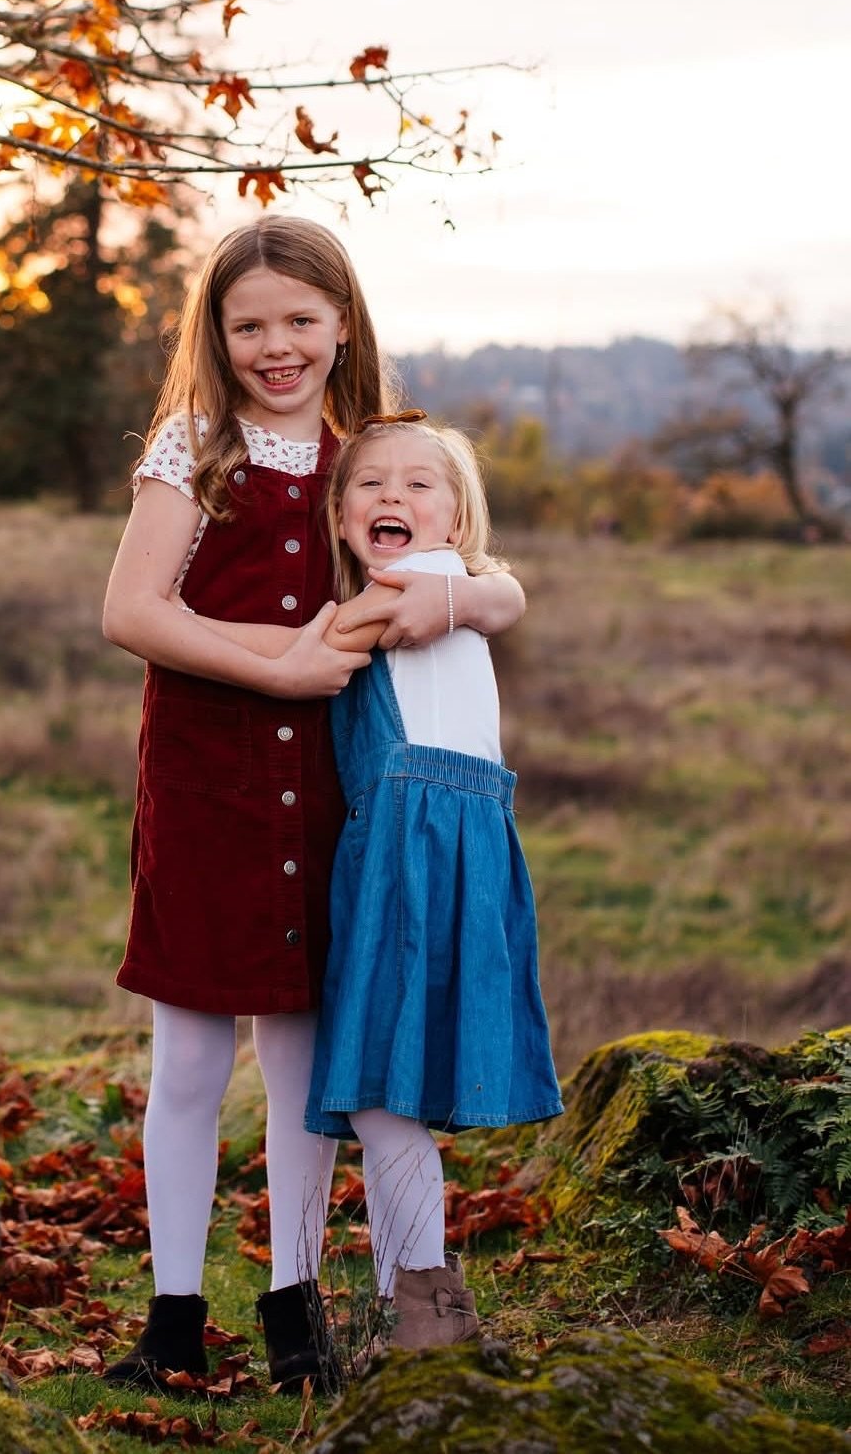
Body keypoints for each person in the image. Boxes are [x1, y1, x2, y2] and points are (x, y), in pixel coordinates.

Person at [101, 219, 526, 1390]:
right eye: (249, 325)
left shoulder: (365, 456)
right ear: (216, 334)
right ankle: (172, 1316)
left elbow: (475, 566)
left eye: (300, 320)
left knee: (301, 1061)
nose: (275, 346)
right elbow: (134, 612)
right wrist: (280, 662)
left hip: (335, 800)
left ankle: (295, 1305)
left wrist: (486, 602)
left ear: (342, 323)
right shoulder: (195, 448)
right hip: (204, 782)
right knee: (189, 1056)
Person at [306, 411, 563, 1354]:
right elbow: (506, 592)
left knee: (383, 1094)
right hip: (447, 856)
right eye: (370, 484)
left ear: (456, 523)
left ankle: (419, 1306)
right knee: (391, 1097)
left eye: (420, 486)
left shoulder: (424, 587)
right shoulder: (460, 586)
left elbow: (310, 651)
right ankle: (425, 1302)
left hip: (415, 863)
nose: (393, 498)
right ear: (341, 515)